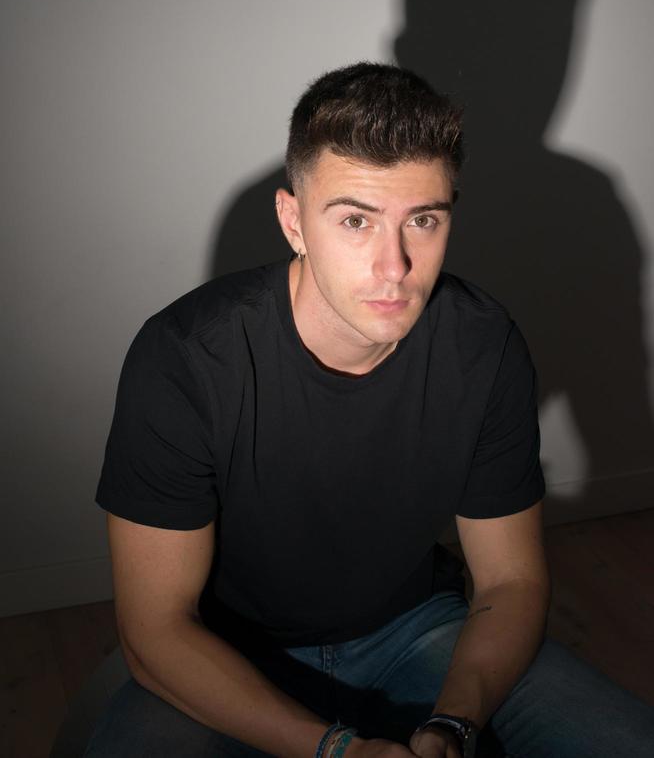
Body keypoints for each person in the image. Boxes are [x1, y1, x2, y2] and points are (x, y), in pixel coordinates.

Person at [86, 63, 654, 757]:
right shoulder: (186, 359)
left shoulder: (481, 344)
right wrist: (336, 750)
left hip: (416, 630)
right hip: (232, 648)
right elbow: (157, 630)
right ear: (293, 220)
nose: (395, 266)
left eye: (422, 220)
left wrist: (454, 721)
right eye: (355, 220)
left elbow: (510, 580)